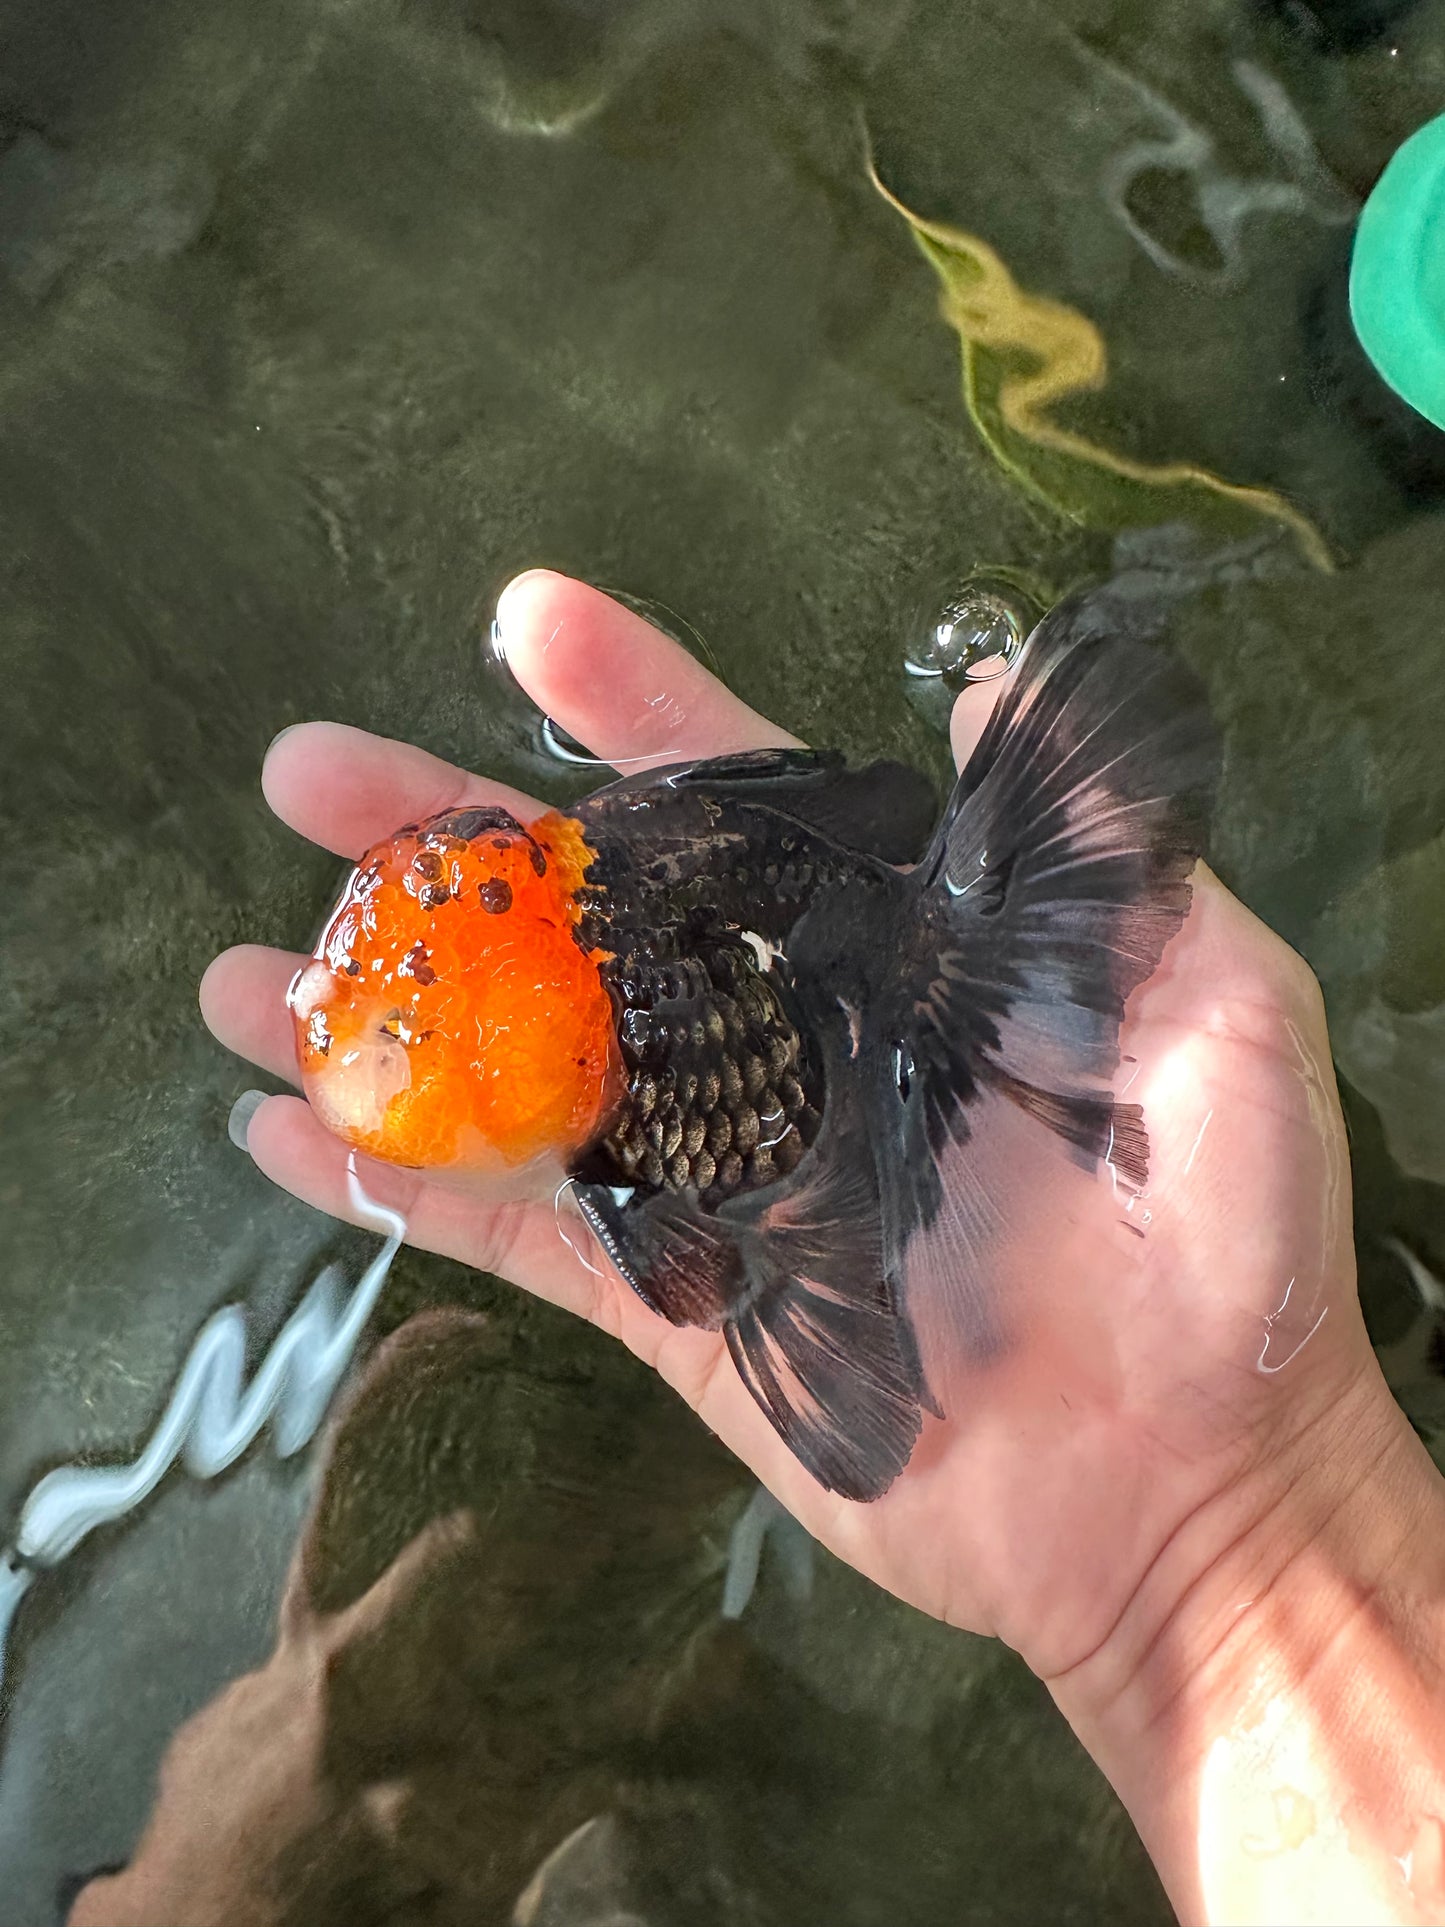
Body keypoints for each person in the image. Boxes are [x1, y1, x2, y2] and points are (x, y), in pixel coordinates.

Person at [200, 569, 1445, 1927]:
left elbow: (683, 1256)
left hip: (833, 1037)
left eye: (409, 1041)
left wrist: (1237, 1531)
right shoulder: (594, 1004)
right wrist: (1247, 1535)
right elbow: (684, 1254)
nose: (357, 1021)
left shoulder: (605, 933)